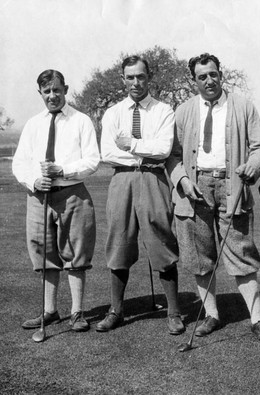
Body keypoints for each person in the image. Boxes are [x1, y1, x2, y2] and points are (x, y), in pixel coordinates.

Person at [167, 53, 260, 344]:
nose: (209, 80)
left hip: (232, 185)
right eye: (202, 76)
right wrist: (183, 180)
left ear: (220, 74)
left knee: (241, 253)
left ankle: (258, 319)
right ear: (195, 80)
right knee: (199, 257)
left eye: (213, 74)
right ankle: (211, 314)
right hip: (194, 189)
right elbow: (172, 157)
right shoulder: (184, 110)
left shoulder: (243, 106)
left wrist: (253, 165)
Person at [97, 56, 183, 334]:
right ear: (123, 79)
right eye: (130, 77)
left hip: (153, 178)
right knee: (119, 241)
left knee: (161, 240)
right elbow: (108, 152)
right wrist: (142, 148)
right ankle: (116, 311)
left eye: (141, 77)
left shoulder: (163, 110)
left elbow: (163, 149)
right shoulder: (113, 112)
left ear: (149, 77)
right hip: (121, 180)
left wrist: (132, 144)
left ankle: (174, 312)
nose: (136, 82)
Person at [13, 69, 100, 332]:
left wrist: (62, 171)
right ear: (39, 93)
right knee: (43, 254)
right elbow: (20, 163)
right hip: (39, 197)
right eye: (46, 91)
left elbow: (93, 160)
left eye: (57, 90)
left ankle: (77, 312)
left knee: (75, 253)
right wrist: (34, 181)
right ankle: (49, 311)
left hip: (72, 194)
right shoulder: (32, 124)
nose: (52, 96)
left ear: (66, 89)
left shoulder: (81, 120)